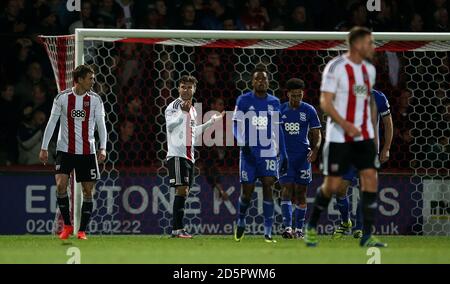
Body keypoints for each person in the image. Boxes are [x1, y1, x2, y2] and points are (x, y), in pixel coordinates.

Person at [304, 27, 387, 248]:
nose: (373, 47)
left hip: (362, 137)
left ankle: (366, 234)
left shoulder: (369, 70)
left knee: (370, 180)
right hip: (339, 136)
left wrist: (371, 136)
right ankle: (311, 228)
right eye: (369, 43)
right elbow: (325, 102)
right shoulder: (336, 67)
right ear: (357, 44)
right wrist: (346, 125)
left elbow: (368, 103)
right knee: (333, 185)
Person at [39, 65, 107, 240]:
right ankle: (68, 226)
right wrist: (44, 147)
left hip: (87, 152)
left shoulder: (95, 100)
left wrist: (103, 147)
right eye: (90, 78)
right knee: (61, 185)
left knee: (87, 191)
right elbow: (52, 123)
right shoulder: (62, 98)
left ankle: (82, 230)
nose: (93, 81)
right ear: (80, 79)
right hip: (65, 150)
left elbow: (101, 125)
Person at [233, 64, 288, 243]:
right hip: (248, 153)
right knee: (247, 193)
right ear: (252, 81)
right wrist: (241, 141)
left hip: (268, 152)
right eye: (257, 78)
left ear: (268, 81)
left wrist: (283, 152)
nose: (261, 81)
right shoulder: (243, 100)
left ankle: (268, 232)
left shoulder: (274, 102)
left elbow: (278, 129)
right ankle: (241, 221)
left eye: (264, 78)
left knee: (268, 187)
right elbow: (235, 125)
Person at [165, 75, 224, 238]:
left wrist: (210, 122)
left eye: (189, 87)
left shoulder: (192, 109)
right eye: (183, 87)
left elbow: (193, 131)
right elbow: (169, 126)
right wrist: (182, 114)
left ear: (194, 89)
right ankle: (177, 229)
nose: (186, 90)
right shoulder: (175, 106)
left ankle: (178, 229)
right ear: (178, 88)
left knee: (185, 190)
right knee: (182, 189)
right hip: (177, 154)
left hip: (189, 156)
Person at [332, 89, 393, 239]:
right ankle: (345, 222)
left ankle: (359, 228)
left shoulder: (378, 96)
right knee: (340, 190)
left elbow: (388, 123)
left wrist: (386, 148)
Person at [279, 78, 322, 239]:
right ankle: (288, 228)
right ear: (288, 94)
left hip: (303, 157)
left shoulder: (309, 110)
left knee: (301, 192)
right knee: (286, 190)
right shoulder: (280, 110)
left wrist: (316, 149)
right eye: (294, 96)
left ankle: (299, 229)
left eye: (300, 95)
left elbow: (317, 133)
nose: (297, 99)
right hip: (285, 158)